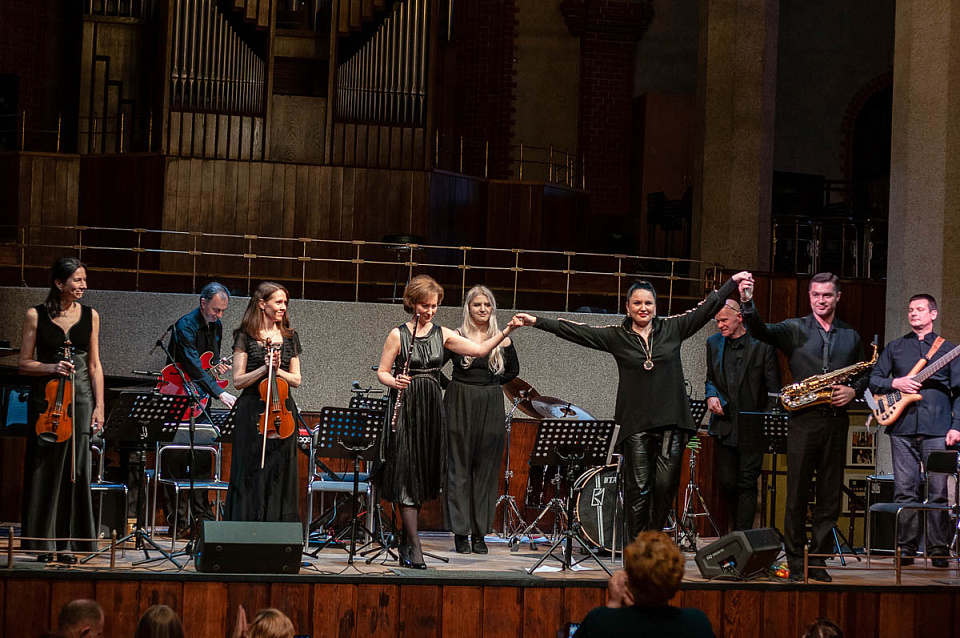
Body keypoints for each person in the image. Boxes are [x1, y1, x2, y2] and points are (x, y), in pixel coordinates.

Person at [514, 271, 751, 539]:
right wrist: (536, 322)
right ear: (627, 307)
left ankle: (652, 541)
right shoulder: (618, 336)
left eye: (648, 303)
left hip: (671, 423)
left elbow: (709, 306)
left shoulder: (673, 328)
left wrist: (732, 282)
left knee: (665, 487)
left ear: (656, 307)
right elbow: (577, 331)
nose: (643, 308)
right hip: (636, 426)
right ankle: (636, 551)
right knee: (638, 490)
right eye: (637, 303)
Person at [374, 275, 520, 568]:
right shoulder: (397, 334)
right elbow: (382, 371)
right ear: (413, 304)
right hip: (408, 404)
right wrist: (395, 381)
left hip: (431, 407)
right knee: (407, 471)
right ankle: (413, 544)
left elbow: (479, 351)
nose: (430, 311)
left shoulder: (443, 334)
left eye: (434, 306)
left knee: (426, 472)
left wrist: (508, 329)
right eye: (425, 306)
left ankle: (409, 541)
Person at [739, 272, 867, 582]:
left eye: (827, 295)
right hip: (802, 421)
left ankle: (819, 561)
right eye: (815, 295)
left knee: (829, 497)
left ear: (838, 297)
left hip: (836, 423)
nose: (821, 300)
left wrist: (853, 391)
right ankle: (796, 561)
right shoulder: (794, 328)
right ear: (808, 296)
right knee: (795, 494)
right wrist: (746, 301)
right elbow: (760, 330)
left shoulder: (850, 335)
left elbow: (866, 374)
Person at [18, 257, 104, 563]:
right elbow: (24, 363)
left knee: (77, 469)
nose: (83, 286)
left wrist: (99, 408)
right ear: (59, 283)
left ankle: (71, 544)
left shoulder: (91, 315)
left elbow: (94, 365)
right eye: (77, 280)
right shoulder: (35, 315)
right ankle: (43, 543)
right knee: (46, 469)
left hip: (80, 398)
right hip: (47, 400)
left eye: (84, 280)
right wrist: (51, 366)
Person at [868, 294, 959, 568]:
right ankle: (906, 548)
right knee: (904, 490)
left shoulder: (949, 350)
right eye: (910, 310)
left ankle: (939, 549)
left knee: (939, 491)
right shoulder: (895, 348)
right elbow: (873, 380)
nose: (914, 314)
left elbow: (959, 392)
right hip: (902, 427)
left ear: (933, 314)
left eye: (920, 309)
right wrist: (897, 382)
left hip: (937, 429)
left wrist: (957, 426)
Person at [443, 285, 520, 554]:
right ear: (468, 308)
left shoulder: (503, 339)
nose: (483, 309)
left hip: (490, 401)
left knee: (485, 471)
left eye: (487, 305)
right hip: (459, 401)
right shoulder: (455, 336)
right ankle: (460, 533)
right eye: (477, 305)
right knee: (458, 468)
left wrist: (490, 384)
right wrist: (453, 386)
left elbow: (513, 370)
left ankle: (479, 534)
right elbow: (434, 364)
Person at [161, 281, 237, 538]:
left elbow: (207, 363)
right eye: (216, 309)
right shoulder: (185, 325)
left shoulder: (217, 326)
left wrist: (219, 368)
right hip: (177, 394)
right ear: (202, 303)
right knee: (175, 459)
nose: (219, 315)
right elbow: (192, 365)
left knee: (203, 458)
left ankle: (199, 520)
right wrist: (220, 391)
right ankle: (178, 522)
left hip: (201, 396)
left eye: (223, 311)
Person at [224, 282, 301, 522]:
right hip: (252, 412)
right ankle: (246, 530)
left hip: (282, 413)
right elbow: (238, 380)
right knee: (250, 471)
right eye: (278, 302)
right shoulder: (245, 337)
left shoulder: (290, 337)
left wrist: (277, 371)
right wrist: (263, 369)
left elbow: (296, 380)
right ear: (261, 304)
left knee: (280, 473)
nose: (283, 307)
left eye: (285, 303)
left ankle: (277, 531)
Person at [705, 299, 780, 531]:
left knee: (747, 483)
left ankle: (741, 537)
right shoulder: (713, 343)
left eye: (724, 320)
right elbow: (710, 378)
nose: (719, 325)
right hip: (725, 424)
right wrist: (711, 395)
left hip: (752, 427)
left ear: (739, 317)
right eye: (717, 321)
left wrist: (769, 424)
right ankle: (736, 534)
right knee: (728, 483)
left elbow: (773, 389)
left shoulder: (763, 345)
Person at [574, 531, 716, 637]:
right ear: (677, 582)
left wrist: (613, 605)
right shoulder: (696, 624)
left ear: (630, 580)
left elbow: (607, 625)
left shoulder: (600, 621)